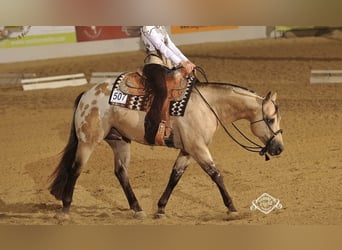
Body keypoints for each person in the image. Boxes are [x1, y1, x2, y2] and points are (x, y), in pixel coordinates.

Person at [140, 26, 196, 145]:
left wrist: (187, 61)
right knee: (162, 91)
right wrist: (181, 62)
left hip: (168, 65)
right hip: (153, 64)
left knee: (192, 83)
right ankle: (152, 128)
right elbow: (161, 47)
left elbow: (171, 46)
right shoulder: (147, 27)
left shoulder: (160, 26)